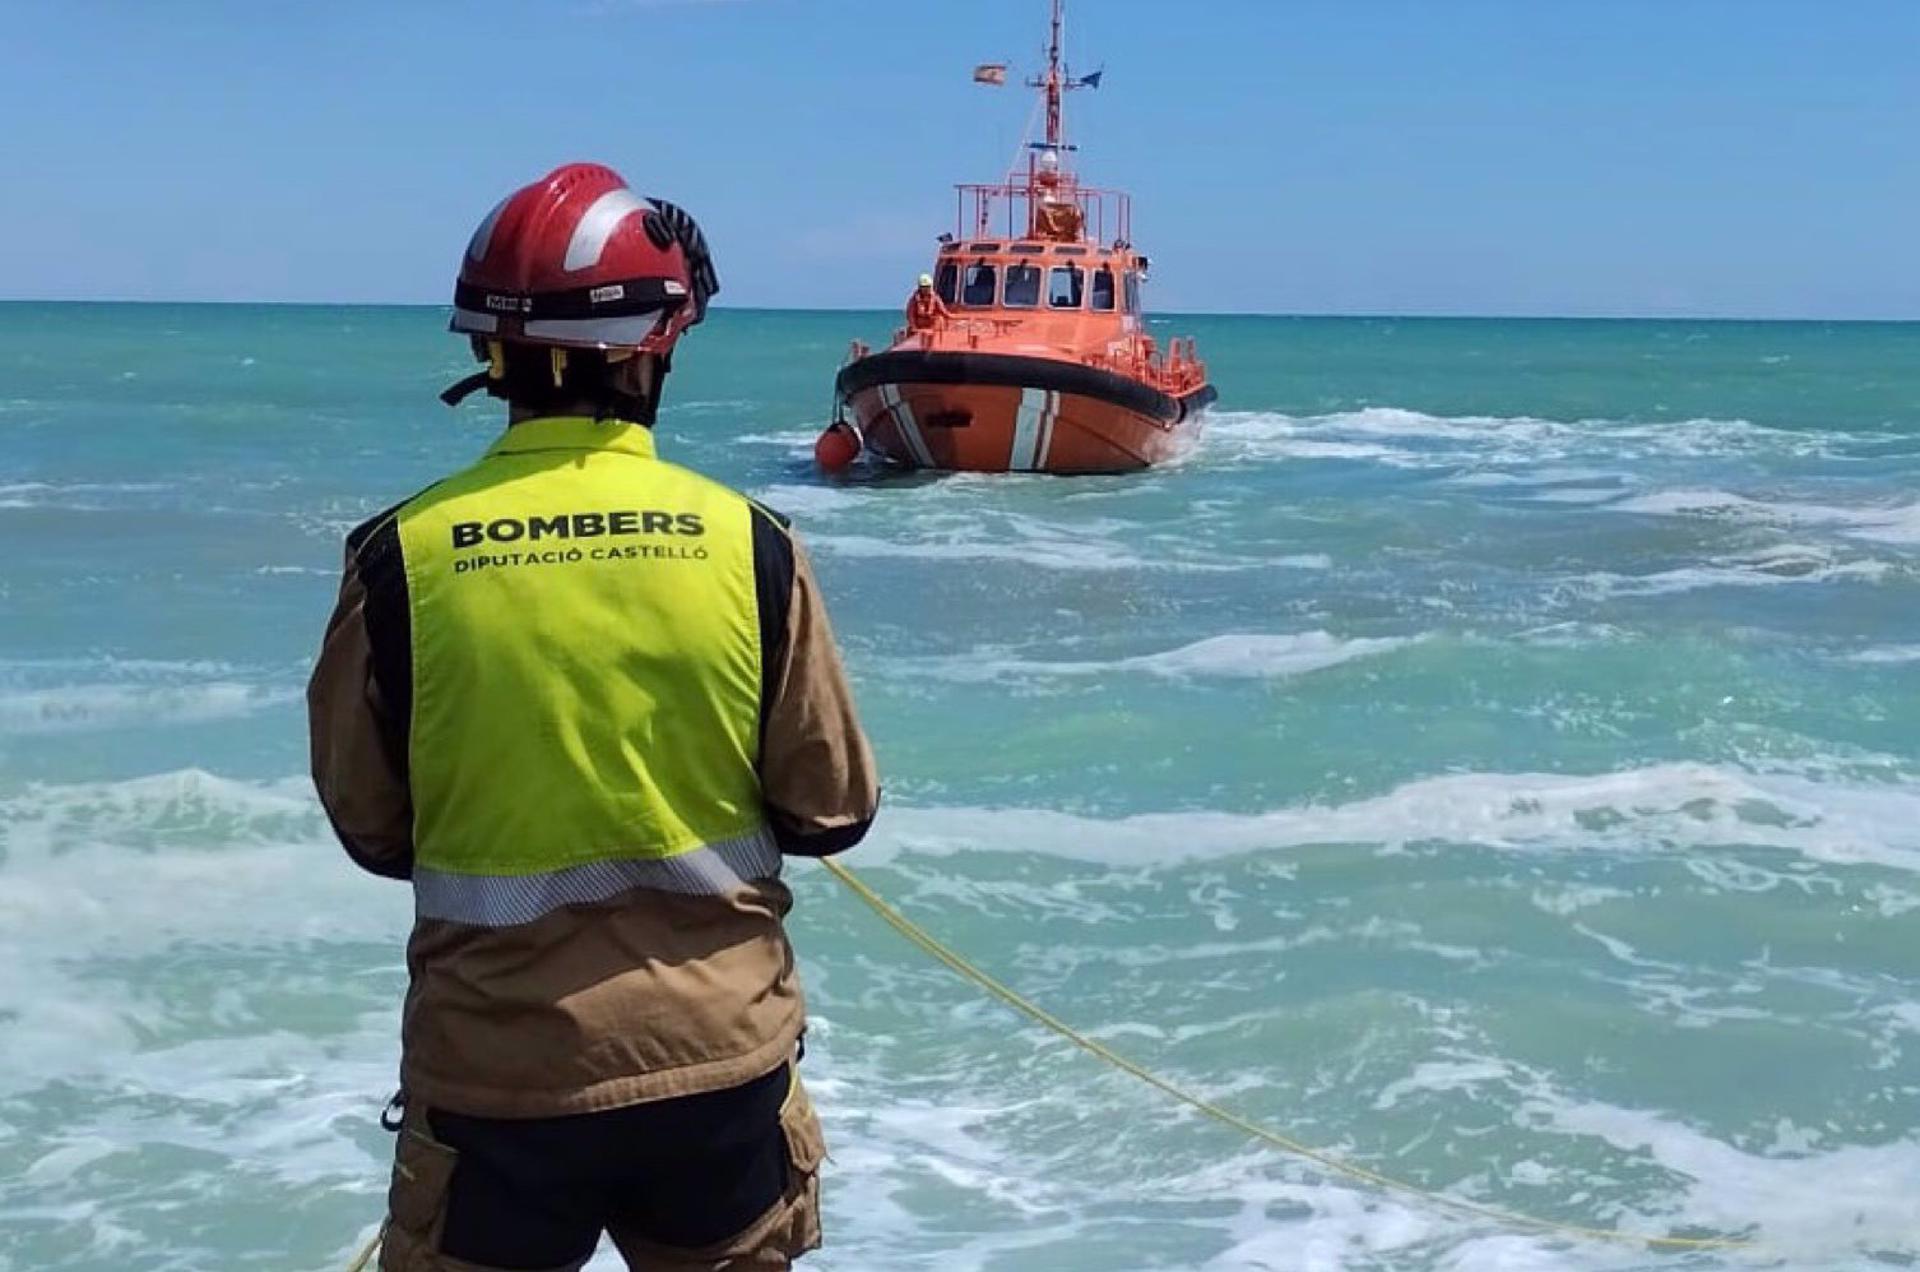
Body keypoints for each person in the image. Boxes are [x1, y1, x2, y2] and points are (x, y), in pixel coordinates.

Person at [307, 162, 879, 1271]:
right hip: (717, 1067)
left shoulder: (398, 557)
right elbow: (833, 808)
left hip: (496, 1079)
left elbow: (373, 829)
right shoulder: (750, 544)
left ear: (491, 353)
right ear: (655, 347)